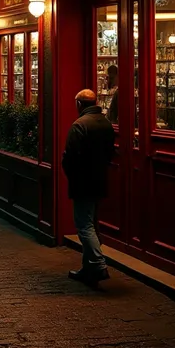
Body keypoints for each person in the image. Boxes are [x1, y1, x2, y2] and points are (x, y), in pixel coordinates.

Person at [62, 89, 115, 286]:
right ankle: (88, 268)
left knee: (84, 225)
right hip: (99, 179)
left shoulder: (79, 125)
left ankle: (98, 264)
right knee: (92, 222)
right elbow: (110, 152)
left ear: (79, 104)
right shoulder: (106, 123)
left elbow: (70, 157)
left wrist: (71, 175)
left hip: (83, 181)